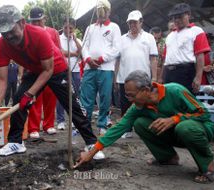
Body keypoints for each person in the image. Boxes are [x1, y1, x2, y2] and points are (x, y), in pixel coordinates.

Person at [0, 5, 105, 160]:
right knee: (18, 99)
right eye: (4, 32)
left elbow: (48, 70)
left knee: (73, 105)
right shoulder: (2, 45)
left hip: (56, 69)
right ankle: (16, 142)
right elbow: (2, 78)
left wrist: (30, 94)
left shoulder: (39, 35)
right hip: (34, 71)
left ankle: (91, 143)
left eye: (11, 30)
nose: (8, 36)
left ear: (22, 23)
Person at [75, 70, 214, 183]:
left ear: (145, 90)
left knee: (184, 128)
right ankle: (168, 158)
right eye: (127, 96)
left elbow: (204, 113)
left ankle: (207, 167)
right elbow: (117, 128)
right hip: (177, 134)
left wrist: (175, 119)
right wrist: (91, 153)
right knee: (140, 124)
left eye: (131, 95)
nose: (129, 100)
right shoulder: (138, 107)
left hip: (199, 129)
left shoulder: (174, 90)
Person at [80, 0, 121, 135]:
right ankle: (84, 125)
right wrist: (87, 59)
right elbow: (84, 46)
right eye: (99, 12)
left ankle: (102, 123)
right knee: (86, 97)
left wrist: (102, 59)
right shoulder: (90, 28)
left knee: (104, 97)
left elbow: (116, 49)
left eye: (104, 12)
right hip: (89, 68)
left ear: (109, 12)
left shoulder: (114, 27)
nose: (102, 15)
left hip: (106, 68)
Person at [115, 10, 158, 138]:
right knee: (125, 105)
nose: (132, 25)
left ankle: (145, 129)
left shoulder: (149, 38)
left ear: (141, 22)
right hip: (124, 78)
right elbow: (117, 60)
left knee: (144, 104)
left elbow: (153, 58)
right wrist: (115, 78)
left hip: (143, 79)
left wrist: (154, 77)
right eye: (130, 23)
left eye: (135, 22)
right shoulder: (122, 39)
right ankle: (127, 129)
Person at [160, 3, 210, 94]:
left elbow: (200, 56)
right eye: (174, 17)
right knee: (169, 100)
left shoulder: (196, 31)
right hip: (168, 72)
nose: (176, 20)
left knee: (185, 102)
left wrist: (198, 78)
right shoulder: (170, 36)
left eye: (180, 16)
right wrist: (161, 77)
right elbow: (165, 59)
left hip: (186, 72)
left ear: (188, 15)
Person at [26, 7, 59, 138]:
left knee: (50, 98)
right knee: (35, 99)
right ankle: (33, 128)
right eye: (34, 21)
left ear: (44, 19)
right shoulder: (27, 32)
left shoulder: (53, 32)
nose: (37, 24)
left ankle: (49, 125)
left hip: (51, 70)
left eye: (39, 20)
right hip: (35, 71)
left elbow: (58, 51)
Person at [58, 17, 83, 130]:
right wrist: (74, 53)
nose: (68, 30)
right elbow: (60, 52)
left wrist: (75, 40)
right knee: (61, 95)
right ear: (62, 26)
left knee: (76, 96)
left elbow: (82, 53)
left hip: (75, 70)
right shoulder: (58, 38)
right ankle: (60, 120)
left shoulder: (76, 40)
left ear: (74, 28)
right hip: (62, 70)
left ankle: (74, 120)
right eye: (66, 27)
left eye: (71, 28)